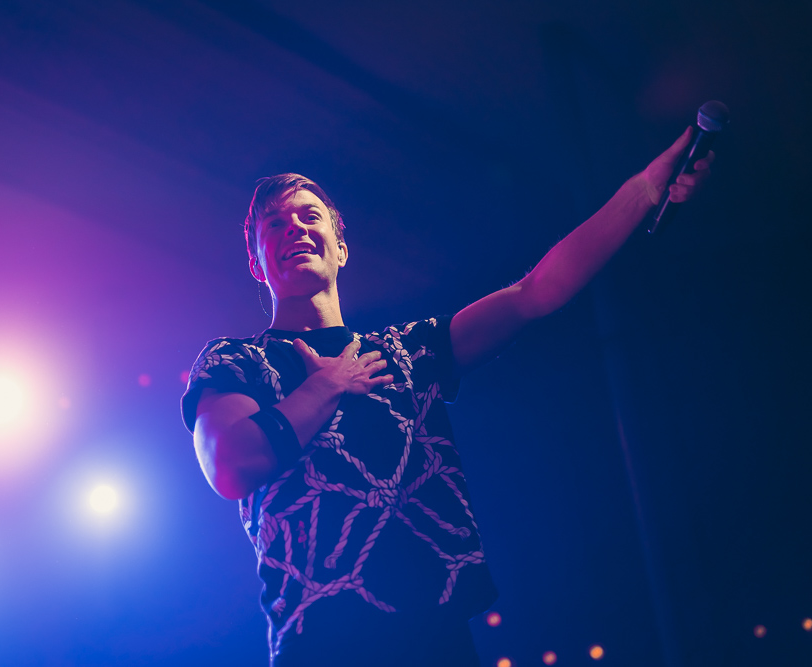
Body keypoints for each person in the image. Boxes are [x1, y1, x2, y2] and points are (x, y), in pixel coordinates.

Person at [181, 129, 713, 666]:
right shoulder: (235, 360)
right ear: (256, 262)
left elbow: (537, 293)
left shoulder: (406, 351)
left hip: (439, 640)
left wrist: (645, 189)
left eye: (308, 215)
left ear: (341, 247)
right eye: (274, 222)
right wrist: (327, 384)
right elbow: (228, 464)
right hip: (321, 645)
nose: (293, 226)